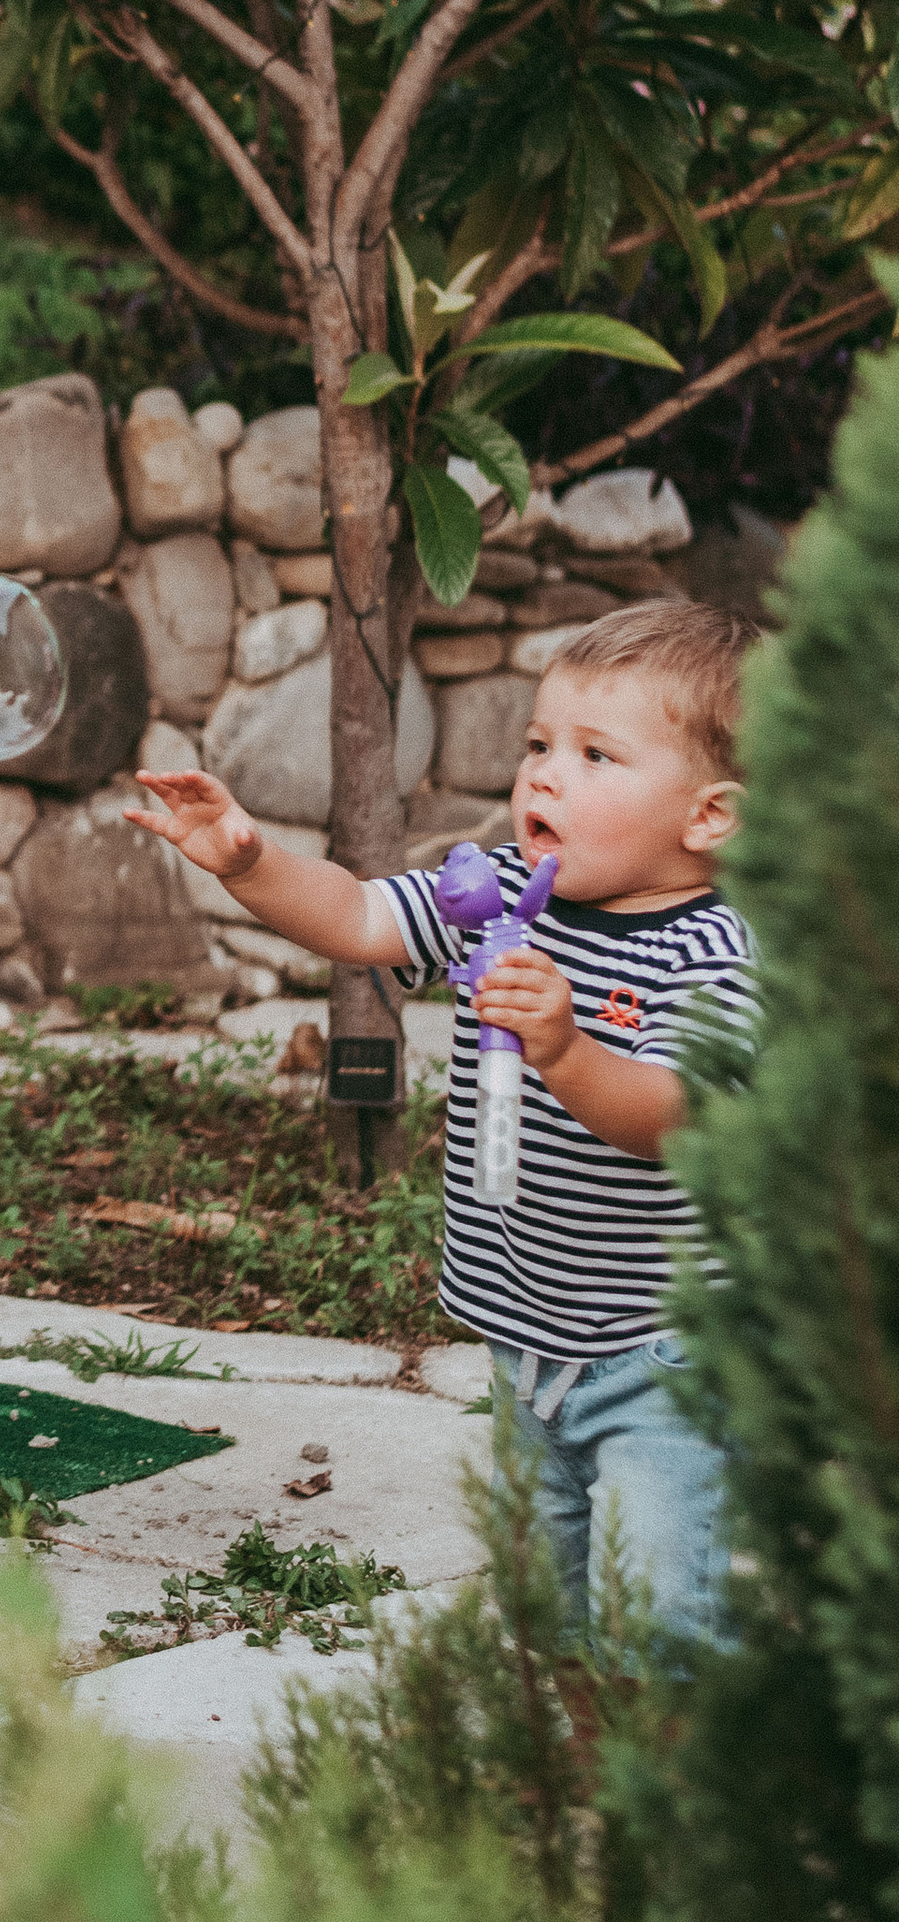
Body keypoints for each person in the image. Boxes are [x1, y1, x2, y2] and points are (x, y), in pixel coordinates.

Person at [128, 598, 762, 1653]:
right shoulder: (504, 893)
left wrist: (566, 1050)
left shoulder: (714, 956)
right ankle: (572, 1794)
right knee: (547, 1612)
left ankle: (662, 1808)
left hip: (666, 1356)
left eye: (597, 755)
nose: (544, 776)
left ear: (707, 817)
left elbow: (681, 1117)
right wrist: (245, 863)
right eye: (537, 745)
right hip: (528, 1345)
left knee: (657, 1621)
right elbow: (359, 917)